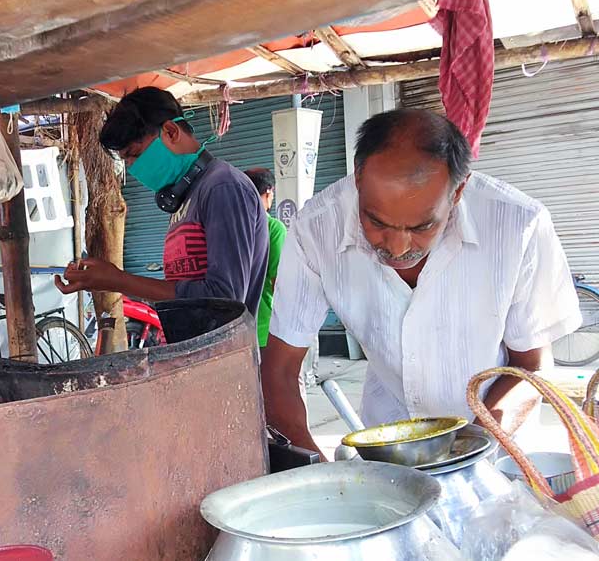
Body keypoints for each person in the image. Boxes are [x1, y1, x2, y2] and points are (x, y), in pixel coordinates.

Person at [262, 109, 581, 454]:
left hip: (498, 448)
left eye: (421, 227)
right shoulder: (316, 230)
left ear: (457, 193)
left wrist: (468, 455)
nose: (397, 248)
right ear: (358, 178)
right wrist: (320, 477)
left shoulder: (519, 226)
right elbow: (279, 371)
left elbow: (531, 366)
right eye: (376, 221)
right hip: (387, 440)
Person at [54, 87, 268, 317]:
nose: (132, 167)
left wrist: (120, 281)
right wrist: (112, 280)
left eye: (134, 154)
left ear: (170, 132)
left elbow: (225, 298)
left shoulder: (223, 187)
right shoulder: (188, 196)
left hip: (226, 352)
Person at [245, 168, 287, 348]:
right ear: (269, 191)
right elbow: (279, 282)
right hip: (264, 328)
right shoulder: (273, 228)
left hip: (233, 327)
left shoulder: (227, 228)